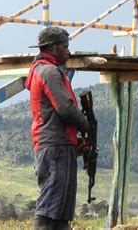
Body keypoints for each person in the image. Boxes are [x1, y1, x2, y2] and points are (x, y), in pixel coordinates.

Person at [25, 26, 89, 230]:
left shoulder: (42, 70)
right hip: (55, 146)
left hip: (58, 143)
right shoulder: (49, 71)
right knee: (48, 210)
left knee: (61, 212)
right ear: (52, 47)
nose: (68, 52)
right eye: (64, 47)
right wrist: (86, 125)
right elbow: (65, 108)